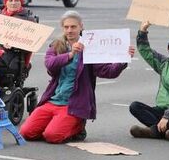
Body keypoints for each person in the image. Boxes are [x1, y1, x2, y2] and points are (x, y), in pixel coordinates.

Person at [20, 11, 134, 144]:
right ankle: (55, 124)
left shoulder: (90, 47)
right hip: (53, 100)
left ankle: (78, 127)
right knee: (26, 132)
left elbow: (108, 72)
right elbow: (50, 65)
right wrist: (70, 54)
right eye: (66, 27)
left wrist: (123, 59)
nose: (69, 30)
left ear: (81, 27)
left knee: (52, 136)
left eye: (73, 27)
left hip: (73, 104)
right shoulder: (57, 45)